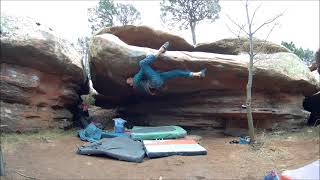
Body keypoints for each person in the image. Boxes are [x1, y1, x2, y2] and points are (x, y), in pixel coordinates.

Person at [126, 42, 206, 95]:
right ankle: (160, 51)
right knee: (142, 63)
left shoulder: (138, 83)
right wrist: (149, 57)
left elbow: (148, 87)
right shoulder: (135, 81)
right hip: (155, 81)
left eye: (129, 78)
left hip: (158, 79)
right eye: (128, 80)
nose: (129, 78)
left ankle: (198, 74)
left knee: (176, 72)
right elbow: (142, 70)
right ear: (130, 83)